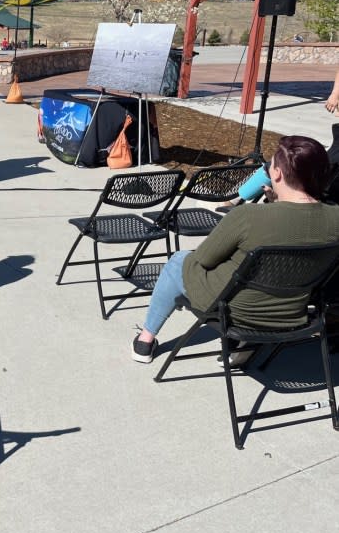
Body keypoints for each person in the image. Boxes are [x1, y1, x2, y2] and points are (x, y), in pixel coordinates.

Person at [131, 135, 339, 364]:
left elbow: (204, 259)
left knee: (180, 261)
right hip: (291, 313)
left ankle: (145, 340)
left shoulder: (248, 216)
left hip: (235, 311)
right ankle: (241, 347)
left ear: (277, 173)